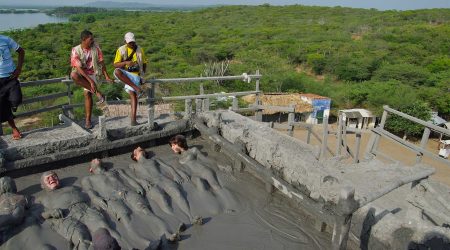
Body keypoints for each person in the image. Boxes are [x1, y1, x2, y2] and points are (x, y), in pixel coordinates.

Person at [81, 159, 180, 245]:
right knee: (126, 218)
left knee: (145, 211)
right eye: (93, 161)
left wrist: (137, 186)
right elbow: (89, 190)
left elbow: (128, 179)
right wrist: (95, 198)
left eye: (97, 159)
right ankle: (147, 243)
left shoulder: (115, 171)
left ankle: (167, 234)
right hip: (110, 199)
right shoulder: (87, 179)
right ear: (91, 169)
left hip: (127, 192)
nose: (96, 159)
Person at [36, 171, 124, 250]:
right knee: (81, 238)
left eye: (54, 176)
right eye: (48, 178)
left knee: (105, 228)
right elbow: (39, 215)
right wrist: (50, 213)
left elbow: (88, 193)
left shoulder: (72, 188)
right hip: (66, 218)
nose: (52, 179)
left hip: (85, 210)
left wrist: (95, 198)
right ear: (42, 185)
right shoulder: (41, 199)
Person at [130, 147, 202, 225]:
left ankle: (191, 217)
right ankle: (178, 221)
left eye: (142, 148)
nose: (140, 148)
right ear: (134, 156)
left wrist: (175, 175)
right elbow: (133, 177)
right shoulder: (133, 165)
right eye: (137, 149)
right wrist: (142, 181)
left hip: (163, 179)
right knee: (162, 199)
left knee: (178, 194)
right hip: (151, 184)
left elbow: (168, 167)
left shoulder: (154, 160)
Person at [70, 30, 112, 129]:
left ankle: (88, 120)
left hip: (94, 72)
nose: (92, 41)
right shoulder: (75, 50)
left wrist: (106, 76)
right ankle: (98, 93)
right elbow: (78, 68)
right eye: (90, 39)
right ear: (83, 40)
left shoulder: (96, 48)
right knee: (73, 75)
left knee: (87, 93)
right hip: (83, 74)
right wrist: (90, 81)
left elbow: (102, 63)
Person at [113, 32, 146, 126]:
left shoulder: (140, 50)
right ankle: (137, 88)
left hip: (135, 74)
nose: (131, 44)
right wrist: (126, 63)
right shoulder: (121, 49)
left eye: (132, 42)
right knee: (116, 71)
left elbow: (144, 63)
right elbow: (115, 64)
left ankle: (133, 120)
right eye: (129, 42)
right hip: (126, 73)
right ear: (125, 41)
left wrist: (143, 75)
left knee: (132, 94)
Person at [0, 35, 24, 140]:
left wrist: (18, 68)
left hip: (10, 77)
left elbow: (21, 51)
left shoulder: (5, 39)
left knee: (16, 99)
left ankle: (13, 105)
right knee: (4, 106)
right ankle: (14, 128)